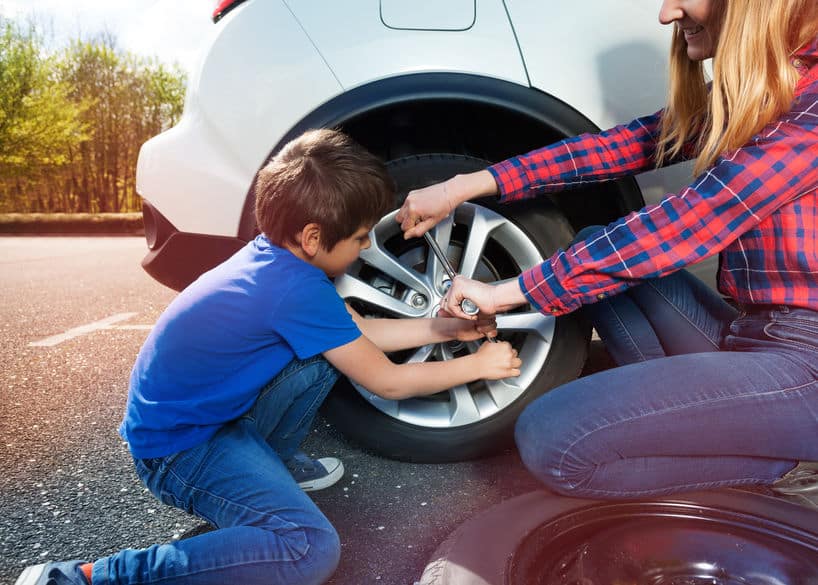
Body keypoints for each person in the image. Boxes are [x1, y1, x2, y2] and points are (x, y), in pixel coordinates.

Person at [18, 128, 521, 585]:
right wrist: (477, 365)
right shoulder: (295, 290)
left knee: (325, 355)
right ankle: (85, 577)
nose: (366, 246)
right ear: (312, 238)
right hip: (177, 452)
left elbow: (358, 334)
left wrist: (450, 326)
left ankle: (271, 468)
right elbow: (386, 380)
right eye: (360, 237)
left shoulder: (274, 259)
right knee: (308, 550)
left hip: (201, 423)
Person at [396, 0, 818, 501]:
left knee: (553, 438)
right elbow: (624, 145)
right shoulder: (769, 87)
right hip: (760, 335)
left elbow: (688, 222)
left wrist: (506, 293)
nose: (667, 13)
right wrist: (466, 185)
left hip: (806, 364)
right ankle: (708, 429)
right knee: (592, 243)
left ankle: (787, 465)